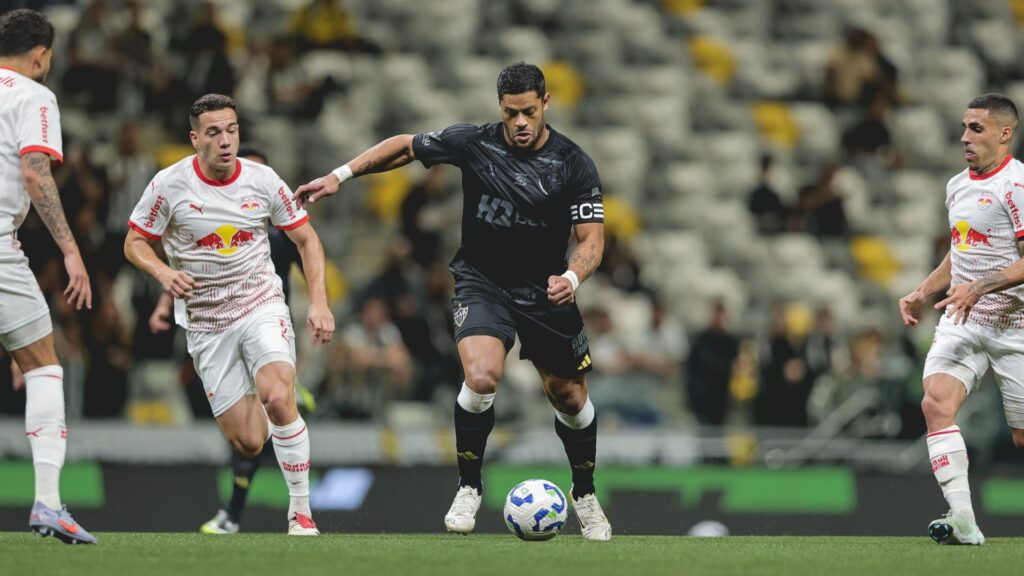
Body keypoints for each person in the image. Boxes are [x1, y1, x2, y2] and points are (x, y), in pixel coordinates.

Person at [295, 62, 612, 540]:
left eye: (529, 112)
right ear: (500, 107)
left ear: (546, 103)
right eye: (511, 113)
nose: (520, 122)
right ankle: (469, 486)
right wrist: (342, 174)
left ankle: (584, 493)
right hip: (482, 282)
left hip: (547, 288)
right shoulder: (474, 143)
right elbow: (405, 146)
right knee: (481, 377)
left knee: (570, 396)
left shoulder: (573, 163)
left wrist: (572, 276)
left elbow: (592, 239)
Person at [124, 94, 334, 536]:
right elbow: (134, 242)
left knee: (277, 398)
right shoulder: (169, 184)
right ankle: (273, 391)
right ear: (194, 138)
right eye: (214, 132)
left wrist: (318, 301)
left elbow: (308, 240)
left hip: (260, 303)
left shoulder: (263, 180)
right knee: (249, 440)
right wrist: (164, 273)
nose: (225, 141)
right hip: (206, 323)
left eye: (232, 130)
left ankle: (301, 513)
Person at [899, 93, 1024, 546]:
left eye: (976, 128)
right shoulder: (957, 185)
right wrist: (923, 290)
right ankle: (964, 520)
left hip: (1015, 324)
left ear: (1005, 133)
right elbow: (962, 247)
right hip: (963, 317)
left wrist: (979, 286)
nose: (964, 137)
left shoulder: (1017, 186)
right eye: (963, 128)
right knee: (935, 403)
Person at [0, 9, 96, 546]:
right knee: (43, 366)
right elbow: (36, 174)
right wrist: (71, 251)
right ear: (40, 55)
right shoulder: (33, 96)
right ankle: (48, 503)